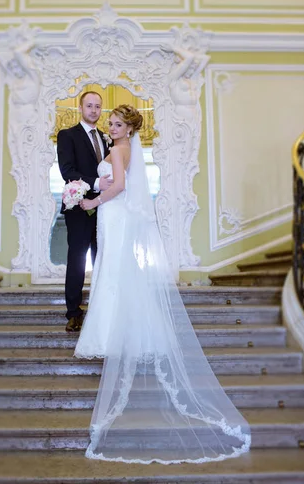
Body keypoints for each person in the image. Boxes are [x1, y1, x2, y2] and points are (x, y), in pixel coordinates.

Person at [75, 104, 251, 465]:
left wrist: (92, 199)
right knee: (113, 270)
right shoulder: (122, 149)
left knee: (113, 271)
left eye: (117, 123)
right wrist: (99, 187)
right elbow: (117, 182)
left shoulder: (118, 150)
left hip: (114, 213)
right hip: (116, 215)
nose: (111, 125)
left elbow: (120, 185)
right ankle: (118, 328)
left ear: (129, 129)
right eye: (110, 121)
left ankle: (111, 332)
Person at [57, 91, 111, 333]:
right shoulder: (67, 136)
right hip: (79, 208)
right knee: (78, 260)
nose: (94, 110)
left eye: (98, 106)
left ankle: (102, 310)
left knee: (102, 259)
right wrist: (97, 183)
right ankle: (73, 313)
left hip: (105, 208)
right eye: (89, 106)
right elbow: (67, 171)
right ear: (81, 108)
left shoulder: (105, 137)